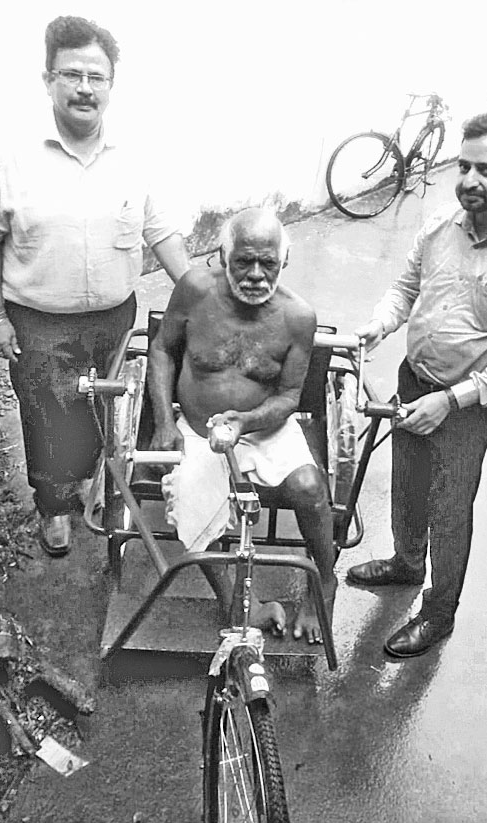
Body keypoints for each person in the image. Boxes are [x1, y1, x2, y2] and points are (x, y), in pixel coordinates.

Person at [347, 108, 487, 658]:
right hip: (413, 379)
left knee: (449, 507)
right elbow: (407, 287)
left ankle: (439, 611)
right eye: (465, 166)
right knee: (407, 483)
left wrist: (451, 401)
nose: (471, 181)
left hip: (466, 405)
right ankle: (406, 564)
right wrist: (381, 323)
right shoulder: (441, 224)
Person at [0, 16, 190, 556]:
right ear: (48, 80)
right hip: (37, 321)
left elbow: (163, 234)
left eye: (97, 77)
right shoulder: (10, 154)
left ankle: (92, 482)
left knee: (105, 411)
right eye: (72, 74)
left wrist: (208, 298)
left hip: (115, 317)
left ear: (111, 85)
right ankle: (54, 506)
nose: (85, 88)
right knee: (48, 415)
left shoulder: (134, 155)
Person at [148, 207, 337, 644]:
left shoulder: (298, 317)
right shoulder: (194, 289)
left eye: (267, 263)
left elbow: (289, 397)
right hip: (198, 430)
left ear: (284, 260)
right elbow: (161, 350)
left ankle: (324, 583)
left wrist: (246, 420)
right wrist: (163, 422)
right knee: (194, 505)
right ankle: (238, 602)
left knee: (310, 487)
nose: (255, 274)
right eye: (243, 262)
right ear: (222, 257)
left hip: (266, 427)